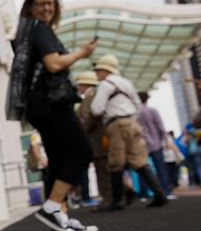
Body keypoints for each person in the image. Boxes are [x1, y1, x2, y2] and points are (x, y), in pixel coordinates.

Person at [15, 0, 99, 231]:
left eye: (51, 3)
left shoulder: (31, 31)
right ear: (31, 7)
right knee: (82, 152)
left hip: (39, 106)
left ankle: (59, 219)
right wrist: (82, 53)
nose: (47, 8)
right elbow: (53, 64)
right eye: (41, 3)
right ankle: (52, 207)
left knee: (59, 159)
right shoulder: (39, 30)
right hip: (51, 104)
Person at [90, 54, 167, 209]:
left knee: (115, 162)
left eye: (98, 70)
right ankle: (160, 194)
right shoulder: (126, 82)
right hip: (132, 123)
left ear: (105, 71)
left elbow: (96, 109)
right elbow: (137, 105)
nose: (97, 74)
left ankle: (118, 201)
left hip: (116, 124)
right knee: (140, 160)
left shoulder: (105, 84)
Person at [74, 71, 110, 209]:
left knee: (102, 169)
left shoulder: (93, 95)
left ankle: (108, 198)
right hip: (95, 139)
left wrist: (82, 130)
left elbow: (91, 116)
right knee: (102, 168)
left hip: (97, 138)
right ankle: (111, 196)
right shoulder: (89, 96)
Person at [137, 91, 175, 199]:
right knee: (160, 168)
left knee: (142, 168)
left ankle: (143, 194)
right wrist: (166, 140)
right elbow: (161, 127)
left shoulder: (135, 113)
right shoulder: (152, 111)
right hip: (156, 143)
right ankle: (166, 192)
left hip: (141, 144)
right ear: (147, 99)